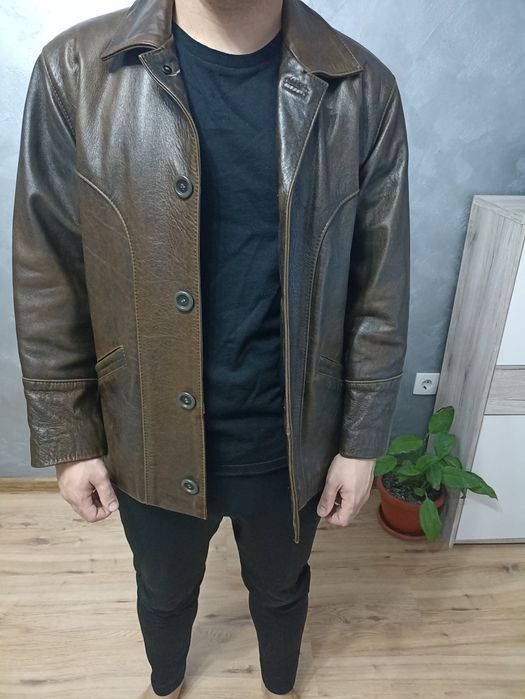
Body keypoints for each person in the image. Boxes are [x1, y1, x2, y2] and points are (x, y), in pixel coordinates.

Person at [11, 0, 410, 696]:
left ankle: (280, 682)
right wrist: (69, 436)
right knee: (163, 590)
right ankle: (166, 681)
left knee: (282, 589)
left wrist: (360, 439)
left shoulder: (361, 88)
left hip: (293, 438)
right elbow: (48, 267)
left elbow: (380, 284)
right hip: (147, 433)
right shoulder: (75, 71)